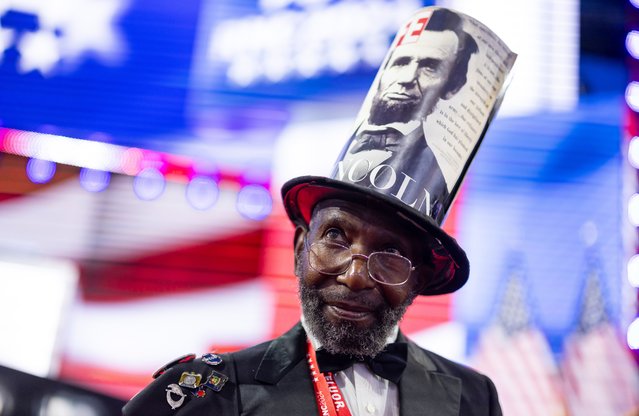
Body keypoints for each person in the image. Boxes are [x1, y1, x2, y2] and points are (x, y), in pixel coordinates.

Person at [123, 6, 508, 416]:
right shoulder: (210, 394)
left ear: (420, 278)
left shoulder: (472, 398)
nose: (355, 275)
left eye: (392, 255)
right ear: (299, 247)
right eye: (336, 237)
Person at [341, 8, 478, 221]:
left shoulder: (434, 176)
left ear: (453, 85)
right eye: (401, 62)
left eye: (429, 67)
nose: (407, 78)